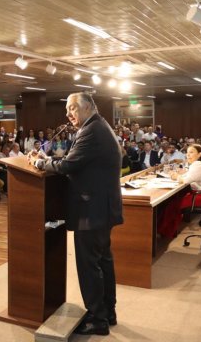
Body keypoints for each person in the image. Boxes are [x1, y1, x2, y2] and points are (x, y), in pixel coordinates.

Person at [34, 92, 122, 335]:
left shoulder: (92, 131)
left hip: (91, 210)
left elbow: (69, 165)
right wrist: (50, 159)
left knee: (89, 265)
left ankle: (97, 319)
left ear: (87, 107)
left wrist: (42, 163)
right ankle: (107, 311)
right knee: (102, 261)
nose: (68, 114)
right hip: (100, 208)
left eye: (72, 108)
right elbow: (78, 162)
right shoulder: (98, 126)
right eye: (67, 109)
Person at [157, 144, 201, 239]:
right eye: (187, 152)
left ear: (199, 154)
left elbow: (186, 180)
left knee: (173, 205)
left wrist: (176, 176)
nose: (188, 155)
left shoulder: (197, 164)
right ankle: (165, 230)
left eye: (191, 152)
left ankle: (165, 232)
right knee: (174, 200)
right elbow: (190, 177)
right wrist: (181, 175)